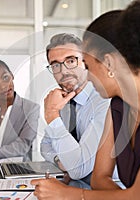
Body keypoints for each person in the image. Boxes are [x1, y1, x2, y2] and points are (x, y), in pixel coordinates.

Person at [31, 1, 140, 199]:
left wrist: (69, 194)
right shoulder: (117, 108)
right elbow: (99, 179)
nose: (88, 77)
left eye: (89, 66)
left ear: (108, 62)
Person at [40, 33, 116, 183]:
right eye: (55, 65)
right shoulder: (64, 101)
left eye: (71, 60)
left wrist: (52, 114)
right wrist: (59, 160)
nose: (64, 71)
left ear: (86, 62)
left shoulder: (104, 101)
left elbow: (78, 169)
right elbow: (45, 146)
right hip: (77, 187)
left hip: (111, 192)